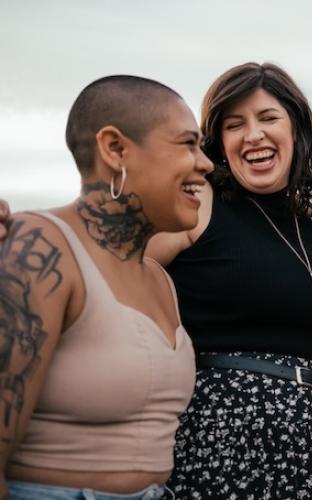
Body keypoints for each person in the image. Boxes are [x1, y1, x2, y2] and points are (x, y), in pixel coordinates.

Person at [146, 62, 312, 499]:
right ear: (219, 142)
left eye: (268, 118)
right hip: (218, 445)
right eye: (234, 124)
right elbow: (120, 268)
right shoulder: (198, 200)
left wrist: (295, 385)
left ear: (296, 129)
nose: (253, 135)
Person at [0, 75, 211, 499]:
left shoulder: (159, 279)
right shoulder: (40, 248)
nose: (205, 163)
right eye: (188, 144)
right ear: (115, 149)